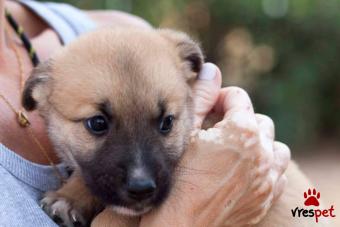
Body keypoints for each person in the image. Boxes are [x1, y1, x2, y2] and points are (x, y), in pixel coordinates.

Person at [0, 0, 290, 226]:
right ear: (40, 95)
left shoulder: (134, 37)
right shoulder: (61, 78)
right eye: (98, 125)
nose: (141, 179)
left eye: (165, 124)